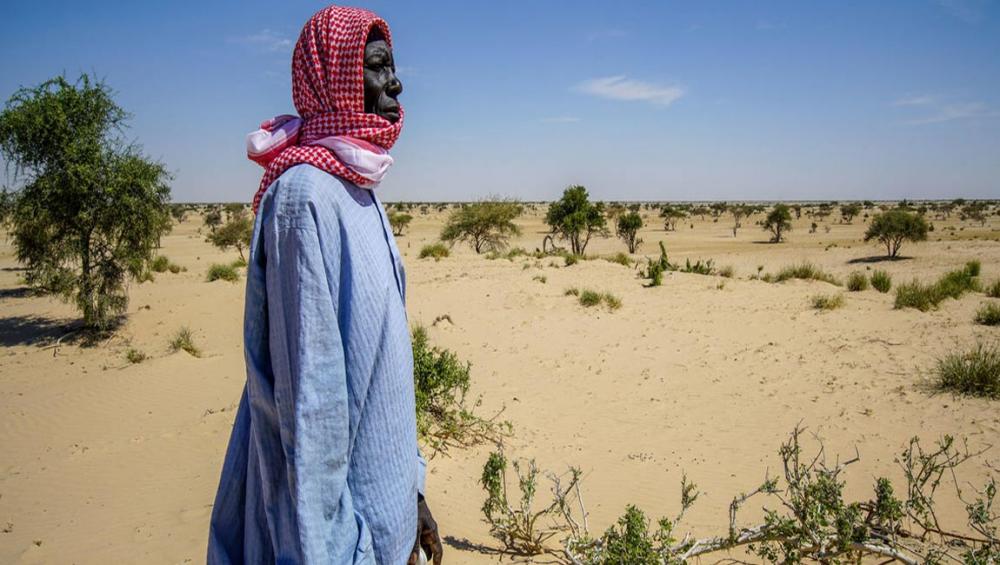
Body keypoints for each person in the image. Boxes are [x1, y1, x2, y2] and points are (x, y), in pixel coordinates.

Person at [207, 6, 442, 564]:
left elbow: (379, 377)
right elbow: (310, 420)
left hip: (385, 531)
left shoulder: (357, 190)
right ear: (332, 78)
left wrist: (411, 500)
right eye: (378, 67)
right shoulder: (304, 199)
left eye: (392, 67)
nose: (395, 83)